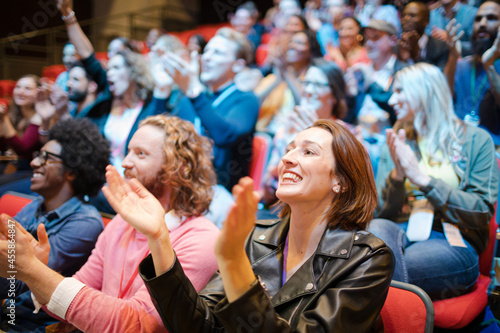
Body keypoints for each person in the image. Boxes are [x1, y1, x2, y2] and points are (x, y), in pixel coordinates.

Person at [103, 119, 394, 332]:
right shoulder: (255, 237)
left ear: (340, 181)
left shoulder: (368, 258)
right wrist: (159, 238)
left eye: (308, 152)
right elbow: (197, 327)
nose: (287, 158)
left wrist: (234, 265)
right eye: (289, 149)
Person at [0, 115, 220, 332]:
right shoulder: (121, 224)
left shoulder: (201, 239)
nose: (125, 162)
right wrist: (36, 271)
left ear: (178, 168)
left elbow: (139, 326)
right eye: (128, 152)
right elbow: (69, 299)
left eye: (141, 154)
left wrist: (33, 271)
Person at [369, 63, 498, 300]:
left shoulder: (476, 140)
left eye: (400, 91)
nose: (392, 99)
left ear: (425, 91)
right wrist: (397, 177)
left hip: (451, 239)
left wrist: (423, 179)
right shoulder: (398, 140)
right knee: (374, 232)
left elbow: (481, 211)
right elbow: (380, 214)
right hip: (400, 231)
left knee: (373, 270)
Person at [0, 118, 109, 332]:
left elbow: (16, 280)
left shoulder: (86, 223)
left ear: (71, 171)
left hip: (33, 325)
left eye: (46, 158)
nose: (33, 163)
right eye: (37, 155)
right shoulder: (37, 205)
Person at [163, 27, 259, 190]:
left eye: (217, 53)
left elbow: (225, 135)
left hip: (219, 191)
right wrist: (161, 90)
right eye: (207, 51)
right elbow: (160, 133)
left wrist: (194, 90)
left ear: (237, 65)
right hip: (182, 184)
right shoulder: (192, 97)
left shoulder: (246, 99)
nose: (207, 58)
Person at [262, 59, 349, 206]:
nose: (308, 91)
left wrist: (315, 136)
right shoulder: (287, 130)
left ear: (335, 95)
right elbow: (267, 189)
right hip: (280, 208)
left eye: (317, 85)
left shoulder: (346, 136)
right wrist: (289, 144)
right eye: (306, 83)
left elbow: (342, 191)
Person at [444, 1, 500, 146]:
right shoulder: (462, 64)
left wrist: (489, 65)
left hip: (493, 148)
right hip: (458, 144)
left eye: (491, 18)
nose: (482, 23)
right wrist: (452, 55)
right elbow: (443, 98)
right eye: (478, 19)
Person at [0, 75, 42, 172]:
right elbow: (3, 148)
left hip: (31, 170)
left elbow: (22, 151)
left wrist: (4, 119)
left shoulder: (39, 117)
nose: (21, 92)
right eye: (18, 87)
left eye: (28, 88)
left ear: (38, 93)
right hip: (14, 165)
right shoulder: (15, 114)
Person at [397, 1, 449, 71]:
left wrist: (416, 56)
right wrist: (402, 61)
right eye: (403, 15)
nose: (406, 19)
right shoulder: (396, 46)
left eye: (412, 15)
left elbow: (439, 77)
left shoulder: (440, 47)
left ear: (426, 21)